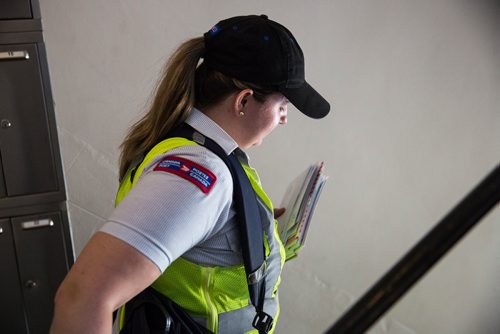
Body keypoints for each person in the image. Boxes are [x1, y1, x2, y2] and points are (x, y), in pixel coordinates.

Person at [50, 14, 330, 334]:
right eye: (283, 105)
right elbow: (82, 298)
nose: (284, 119)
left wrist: (248, 227)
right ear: (244, 101)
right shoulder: (199, 175)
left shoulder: (195, 151)